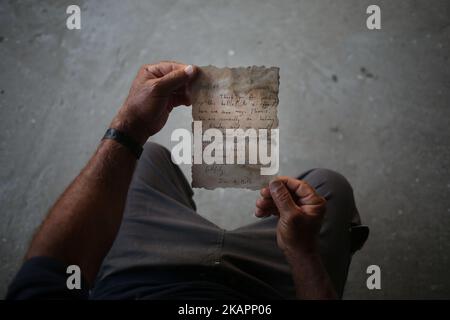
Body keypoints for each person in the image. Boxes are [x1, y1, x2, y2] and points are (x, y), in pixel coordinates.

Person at [6, 61, 368, 300]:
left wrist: (129, 128)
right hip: (263, 293)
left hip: (140, 273)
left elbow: (47, 270)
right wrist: (303, 253)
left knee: (145, 158)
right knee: (328, 186)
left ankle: (181, 215)